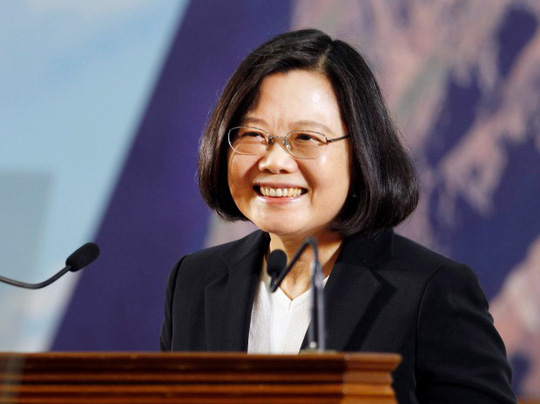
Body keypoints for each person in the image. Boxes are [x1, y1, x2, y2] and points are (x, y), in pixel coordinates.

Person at [160, 29, 516, 404]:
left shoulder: (432, 292)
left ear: (360, 153)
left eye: (306, 138)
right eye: (252, 134)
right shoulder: (193, 282)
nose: (274, 161)